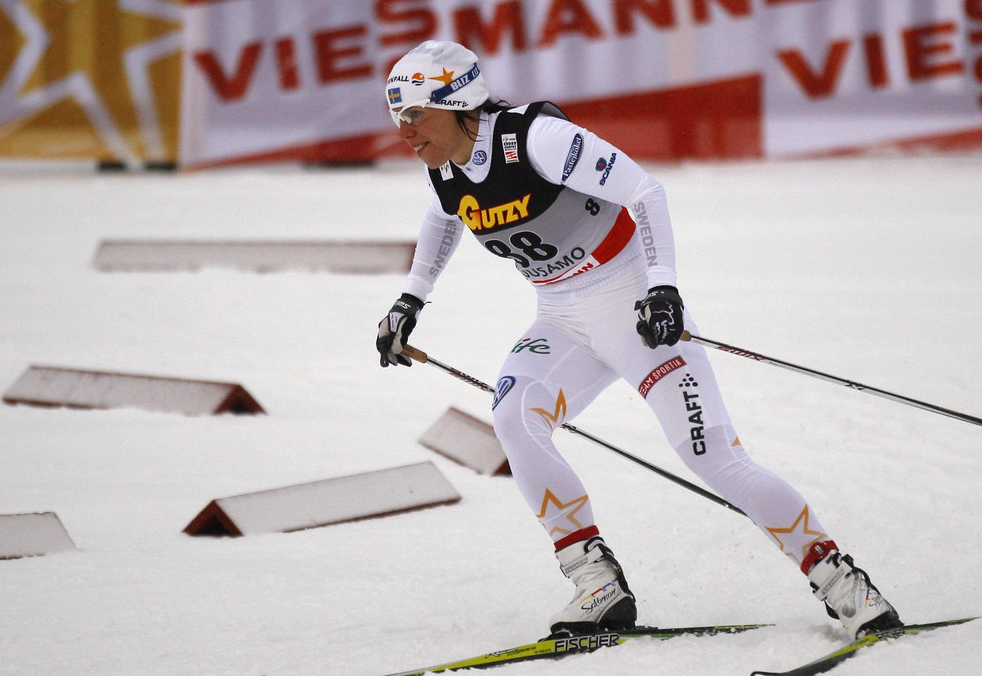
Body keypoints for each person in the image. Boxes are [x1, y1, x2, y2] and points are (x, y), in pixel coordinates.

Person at [376, 40, 902, 640]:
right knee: (515, 416)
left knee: (713, 458)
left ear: (458, 102)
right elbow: (445, 216)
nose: (404, 130)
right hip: (561, 316)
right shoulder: (443, 165)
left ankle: (842, 583)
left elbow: (646, 192)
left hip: (629, 304)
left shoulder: (534, 140)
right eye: (398, 117)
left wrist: (662, 288)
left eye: (415, 114)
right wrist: (409, 300)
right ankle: (595, 584)